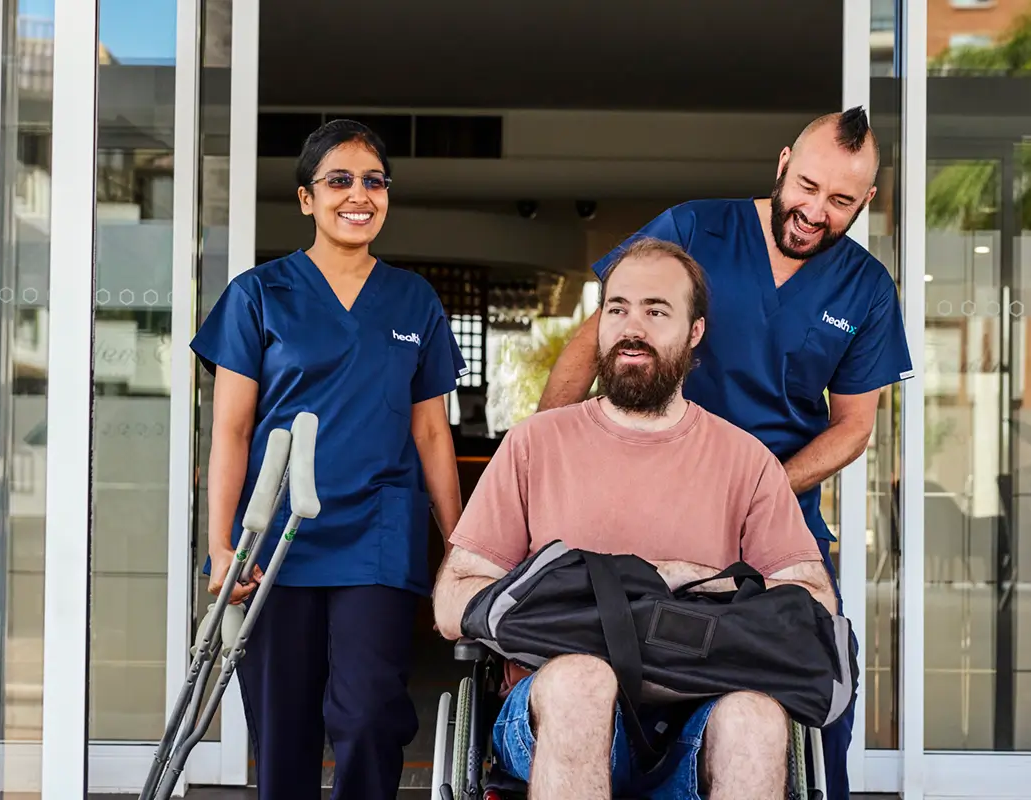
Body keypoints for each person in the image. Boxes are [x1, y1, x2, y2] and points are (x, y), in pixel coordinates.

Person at [536, 106, 913, 800]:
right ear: (780, 166)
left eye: (839, 201)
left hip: (775, 518)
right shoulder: (693, 229)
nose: (812, 211)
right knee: (611, 657)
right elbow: (598, 338)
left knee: (826, 661)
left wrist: (759, 486)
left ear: (867, 202)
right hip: (645, 498)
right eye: (805, 185)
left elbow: (854, 425)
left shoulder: (866, 288)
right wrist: (543, 457)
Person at [433, 237, 837, 800]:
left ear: (694, 333)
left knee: (757, 718)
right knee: (584, 680)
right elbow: (452, 599)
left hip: (700, 710)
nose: (632, 327)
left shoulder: (747, 460)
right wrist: (586, 588)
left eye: (656, 311)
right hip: (550, 709)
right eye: (617, 308)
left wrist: (680, 578)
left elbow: (815, 603)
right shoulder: (535, 444)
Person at [190, 119, 467, 800]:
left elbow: (432, 434)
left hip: (377, 532)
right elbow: (231, 431)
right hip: (275, 538)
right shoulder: (260, 294)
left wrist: (462, 547)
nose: (359, 194)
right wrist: (221, 545)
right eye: (338, 180)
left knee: (370, 712)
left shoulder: (413, 301)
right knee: (282, 727)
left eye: (374, 181)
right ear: (307, 199)